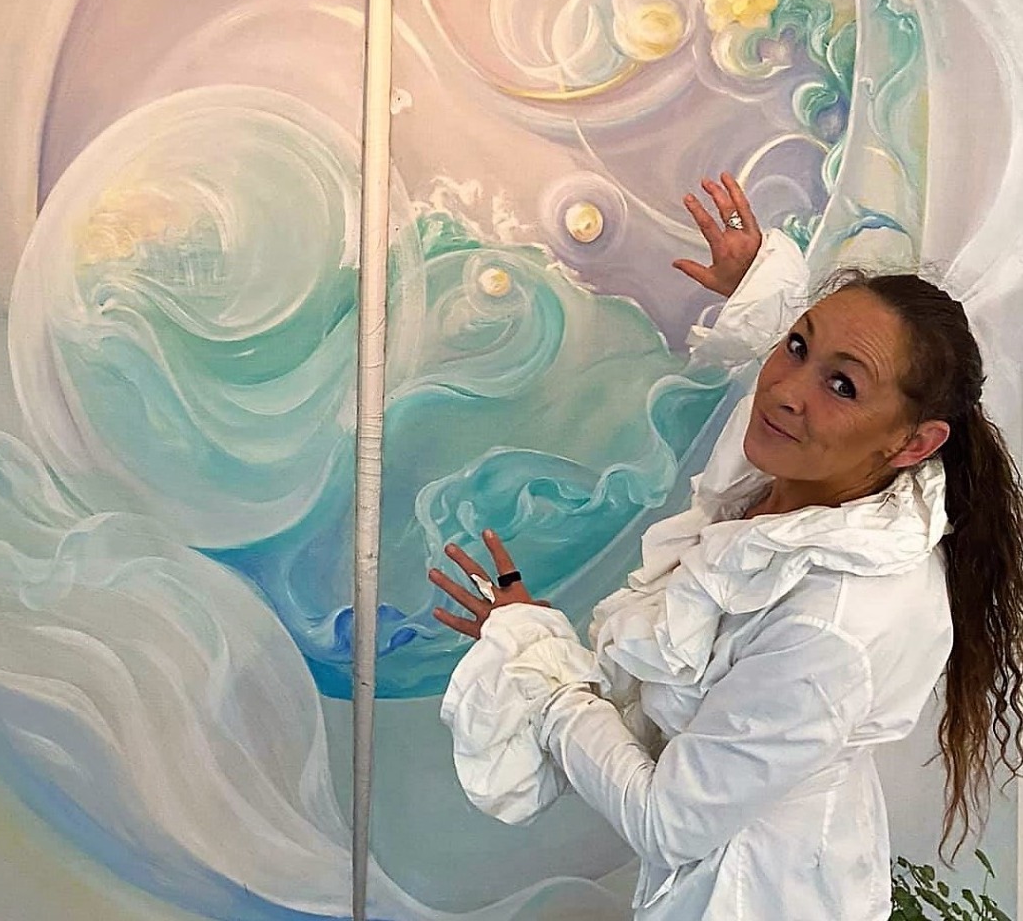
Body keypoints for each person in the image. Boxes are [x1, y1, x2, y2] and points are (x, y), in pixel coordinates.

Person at [429, 173, 1023, 920]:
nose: (785, 389)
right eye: (797, 345)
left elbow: (666, 821)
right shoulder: (794, 470)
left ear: (914, 444)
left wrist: (538, 667)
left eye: (842, 385)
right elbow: (788, 368)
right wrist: (760, 289)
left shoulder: (836, 623)